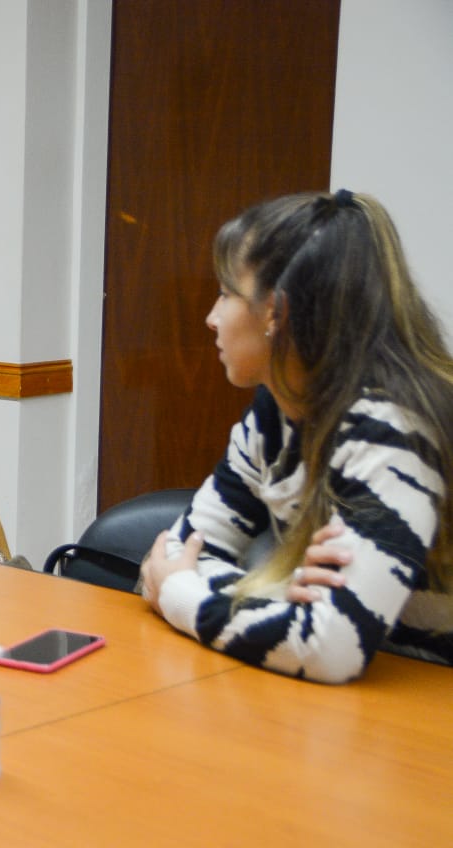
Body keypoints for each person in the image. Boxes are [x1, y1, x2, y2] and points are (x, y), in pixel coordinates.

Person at [139, 190, 453, 683]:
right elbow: (166, 560)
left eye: (225, 293)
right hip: (348, 694)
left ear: (276, 314)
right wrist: (281, 596)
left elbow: (331, 651)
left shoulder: (391, 429)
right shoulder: (273, 414)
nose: (211, 317)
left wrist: (185, 596)